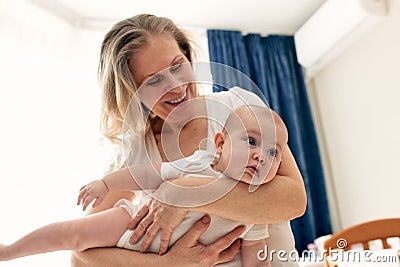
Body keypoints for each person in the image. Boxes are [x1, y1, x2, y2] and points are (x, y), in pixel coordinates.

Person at [71, 14, 306, 267]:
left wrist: (182, 194)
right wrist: (171, 264)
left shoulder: (240, 109)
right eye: (154, 80)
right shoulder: (135, 153)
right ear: (132, 92)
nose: (176, 86)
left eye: (177, 66)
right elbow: (80, 254)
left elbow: (293, 200)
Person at [0, 105, 288, 267]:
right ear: (220, 144)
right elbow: (148, 175)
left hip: (161, 260)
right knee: (75, 235)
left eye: (274, 152)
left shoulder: (256, 208)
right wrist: (106, 183)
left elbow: (256, 260)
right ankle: (10, 250)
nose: (261, 155)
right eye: (251, 141)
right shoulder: (201, 162)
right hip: (131, 223)